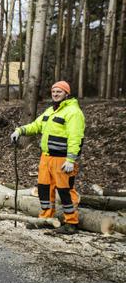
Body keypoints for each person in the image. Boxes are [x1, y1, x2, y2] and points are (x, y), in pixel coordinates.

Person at [10, 80, 85, 235]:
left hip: (62, 160)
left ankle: (71, 223)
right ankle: (46, 219)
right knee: (44, 189)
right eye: (53, 92)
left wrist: (71, 160)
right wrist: (20, 130)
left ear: (66, 93)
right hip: (46, 158)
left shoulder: (73, 112)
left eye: (59, 92)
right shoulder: (50, 111)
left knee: (65, 190)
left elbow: (75, 138)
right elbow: (36, 126)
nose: (56, 94)